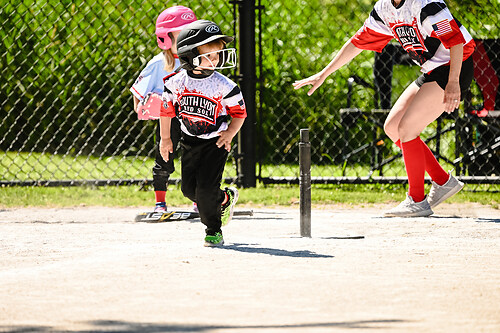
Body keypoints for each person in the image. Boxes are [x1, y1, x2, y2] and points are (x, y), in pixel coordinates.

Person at [293, 0, 475, 217]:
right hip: (432, 70)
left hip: (454, 67)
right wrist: (323, 74)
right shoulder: (384, 8)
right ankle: (443, 181)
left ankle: (416, 200)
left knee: (407, 129)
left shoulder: (426, 4)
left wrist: (453, 82)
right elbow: (357, 42)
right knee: (393, 127)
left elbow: (456, 41)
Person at [159, 20, 246, 246]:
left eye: (217, 54)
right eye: (209, 55)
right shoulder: (176, 82)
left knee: (206, 190)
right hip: (189, 141)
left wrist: (229, 133)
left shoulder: (224, 85)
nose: (215, 60)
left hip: (215, 143)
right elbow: (166, 111)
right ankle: (224, 198)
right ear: (188, 56)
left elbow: (240, 113)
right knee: (189, 190)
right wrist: (166, 139)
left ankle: (213, 230)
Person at [130, 6, 197, 213]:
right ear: (166, 38)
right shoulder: (159, 63)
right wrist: (146, 106)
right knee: (164, 158)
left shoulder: (197, 60)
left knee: (195, 159)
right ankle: (160, 202)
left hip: (194, 118)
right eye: (182, 32)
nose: (189, 36)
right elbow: (138, 97)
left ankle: (198, 200)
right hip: (168, 119)